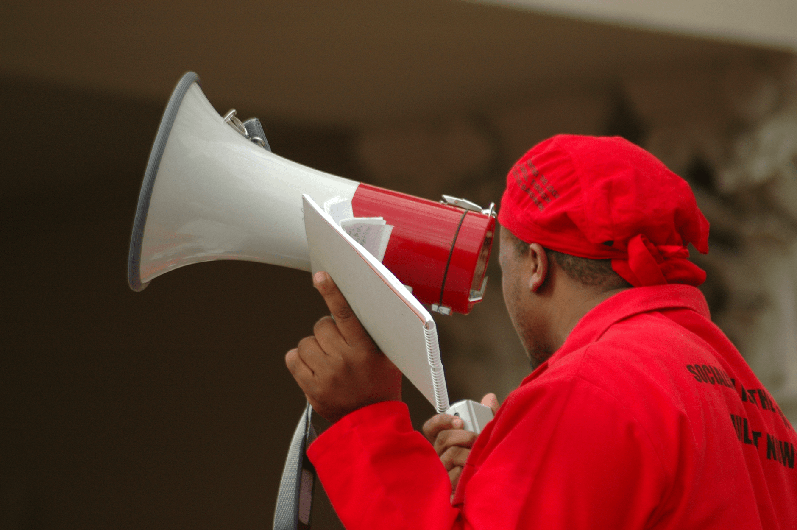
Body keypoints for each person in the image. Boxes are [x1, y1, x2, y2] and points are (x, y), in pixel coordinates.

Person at [285, 135, 797, 529]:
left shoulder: (590, 388)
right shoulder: (751, 398)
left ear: (535, 263)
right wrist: (501, 480)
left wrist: (364, 419)